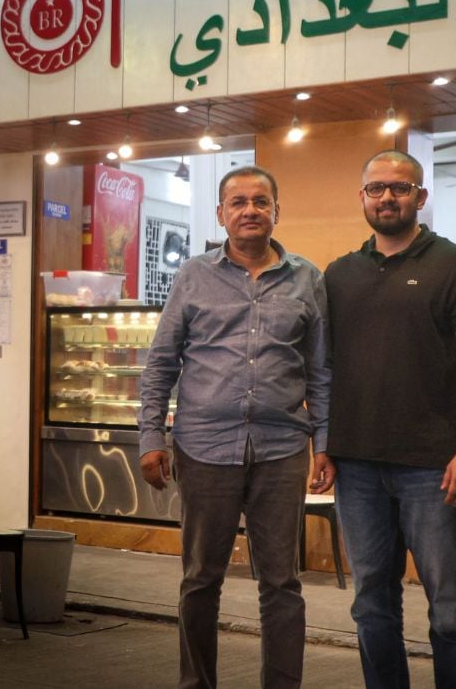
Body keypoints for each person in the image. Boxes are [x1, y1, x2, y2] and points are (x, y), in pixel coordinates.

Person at [138, 165, 335, 689]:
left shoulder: (308, 279)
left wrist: (324, 443)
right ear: (221, 213)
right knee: (201, 579)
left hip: (281, 449)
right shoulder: (193, 276)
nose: (250, 210)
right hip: (204, 448)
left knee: (282, 583)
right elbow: (161, 363)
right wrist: (151, 437)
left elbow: (321, 371)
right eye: (239, 202)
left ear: (276, 211)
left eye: (260, 201)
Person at [325, 150, 456, 689]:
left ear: (420, 197)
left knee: (450, 609)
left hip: (436, 468)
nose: (387, 198)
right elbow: (325, 368)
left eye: (400, 188)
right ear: (362, 197)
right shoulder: (339, 275)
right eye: (376, 188)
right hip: (357, 467)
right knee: (371, 605)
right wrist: (323, 446)